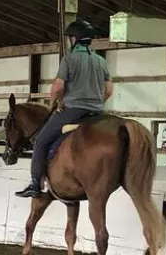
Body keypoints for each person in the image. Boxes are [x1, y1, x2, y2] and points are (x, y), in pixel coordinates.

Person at [15, 19, 113, 198]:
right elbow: (108, 90)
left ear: (74, 39)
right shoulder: (101, 61)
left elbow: (58, 87)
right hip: (97, 113)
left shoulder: (69, 58)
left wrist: (54, 103)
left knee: (41, 140)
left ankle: (35, 184)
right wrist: (97, 102)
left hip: (73, 111)